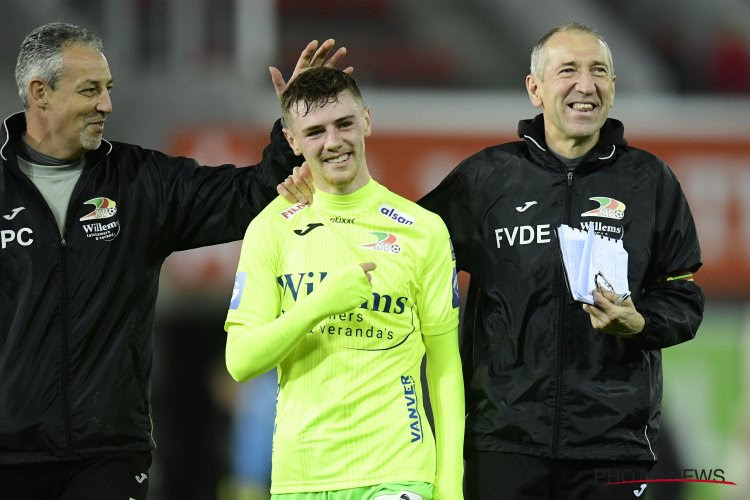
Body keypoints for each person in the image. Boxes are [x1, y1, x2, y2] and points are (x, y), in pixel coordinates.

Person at [0, 22, 344, 499]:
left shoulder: (142, 183)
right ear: (40, 93)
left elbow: (248, 194)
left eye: (109, 89)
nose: (106, 104)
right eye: (90, 90)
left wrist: (294, 126)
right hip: (10, 453)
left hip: (109, 454)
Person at [418, 22, 704, 499]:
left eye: (599, 71)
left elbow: (684, 297)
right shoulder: (486, 178)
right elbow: (406, 242)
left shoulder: (650, 182)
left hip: (613, 446)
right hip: (503, 441)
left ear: (613, 87)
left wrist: (640, 322)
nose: (585, 84)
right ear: (535, 88)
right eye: (567, 70)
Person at [224, 67, 465, 500]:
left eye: (344, 124)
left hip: (398, 469)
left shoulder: (423, 229)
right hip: (302, 476)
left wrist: (450, 486)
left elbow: (446, 370)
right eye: (314, 131)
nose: (333, 142)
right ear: (292, 142)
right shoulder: (270, 228)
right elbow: (240, 361)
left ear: (367, 120)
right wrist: (318, 304)